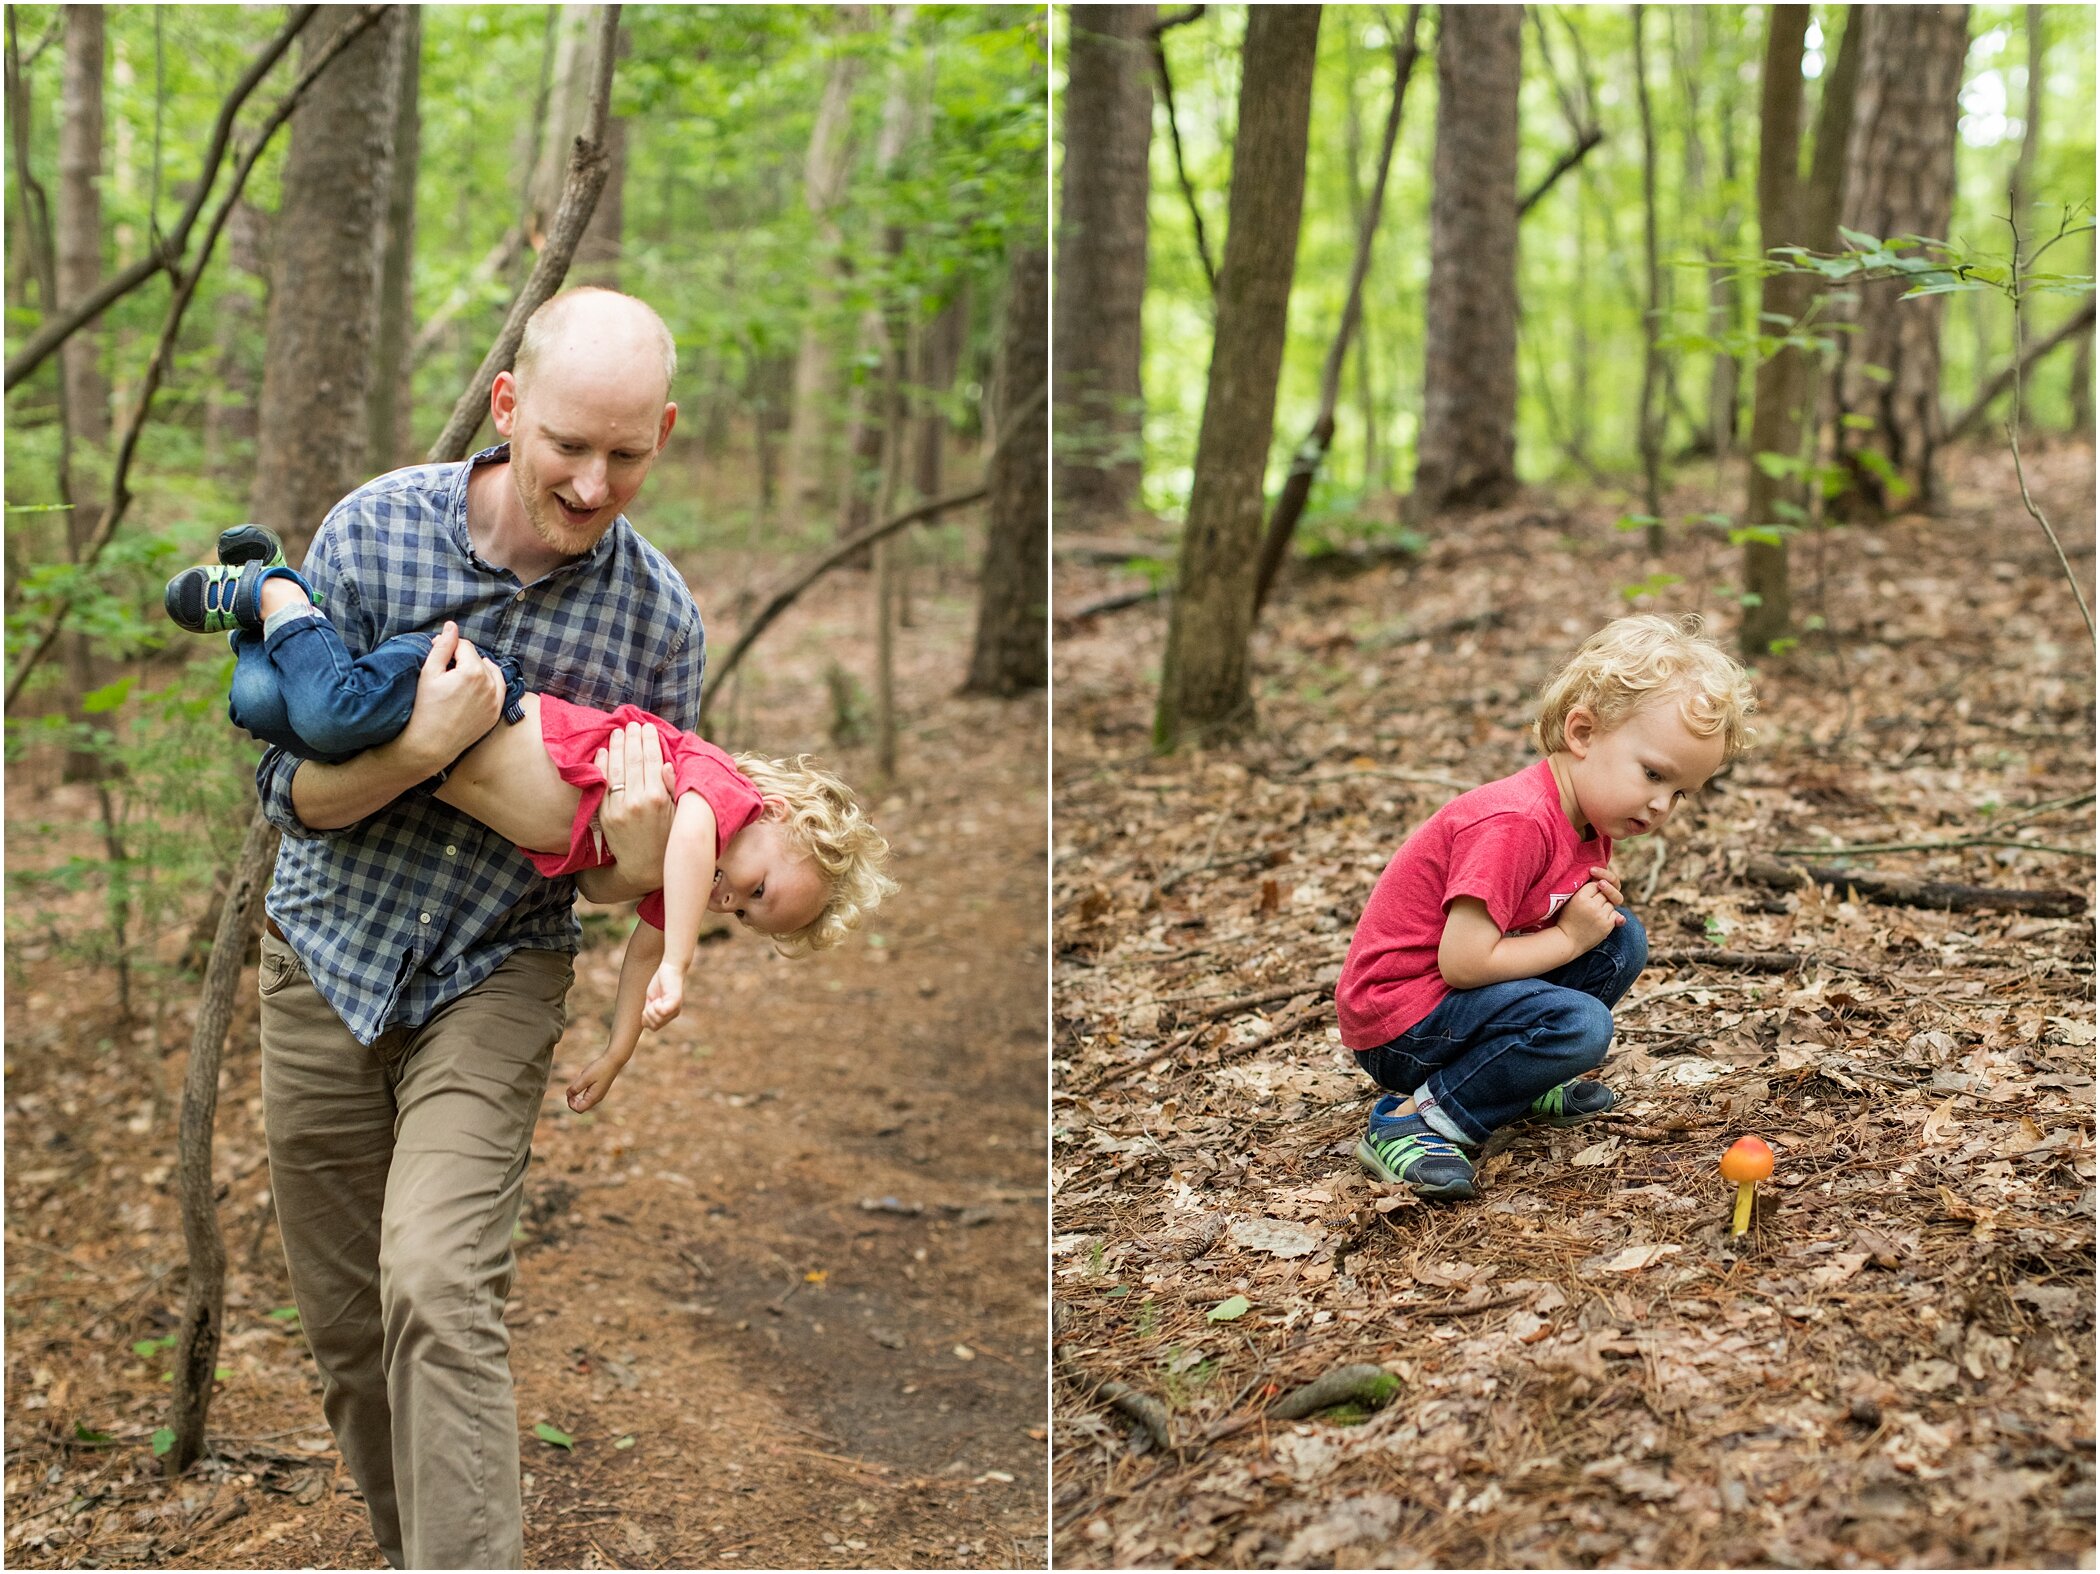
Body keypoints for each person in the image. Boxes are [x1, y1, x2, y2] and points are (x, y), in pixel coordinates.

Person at [248, 288, 721, 1567]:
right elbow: (292, 797)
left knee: (439, 1286)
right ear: (509, 406)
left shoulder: (657, 619)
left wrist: (633, 859)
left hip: (495, 967)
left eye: (627, 453)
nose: (590, 480)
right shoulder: (372, 535)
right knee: (350, 1332)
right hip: (325, 957)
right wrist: (423, 748)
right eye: (569, 442)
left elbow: (630, 884)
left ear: (664, 434)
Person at [166, 542, 892, 1112]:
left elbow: (639, 954)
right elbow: (692, 847)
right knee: (325, 713)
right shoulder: (717, 791)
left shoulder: (688, 868)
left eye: (748, 917)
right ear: (780, 815)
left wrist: (618, 1049)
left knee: (265, 709)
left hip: (433, 754)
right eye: (759, 889)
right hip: (466, 691)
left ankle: (257, 600)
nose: (732, 903)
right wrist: (683, 962)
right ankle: (278, 587)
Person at [1335, 614, 1756, 1201]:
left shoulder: (1587, 812)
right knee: (1583, 1023)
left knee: (1620, 939)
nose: (1662, 805)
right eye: (1653, 774)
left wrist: (1583, 926)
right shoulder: (1516, 822)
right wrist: (1567, 940)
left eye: (1679, 791)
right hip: (1401, 1022)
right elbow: (1462, 962)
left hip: (1453, 1007)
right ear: (1582, 733)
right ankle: (1413, 1120)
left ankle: (1517, 1079)